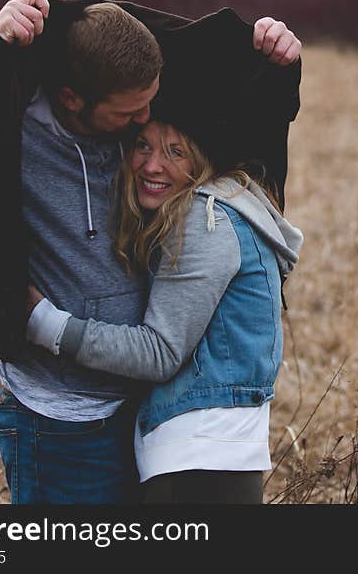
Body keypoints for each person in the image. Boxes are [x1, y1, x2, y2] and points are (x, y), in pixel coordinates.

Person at [0, 0, 302, 503]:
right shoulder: (5, 127)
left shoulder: (134, 108)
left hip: (143, 412)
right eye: (131, 114)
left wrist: (279, 60)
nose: (147, 118)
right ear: (71, 99)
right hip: (60, 417)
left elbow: (234, 96)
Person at [26, 116, 302, 503]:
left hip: (197, 456)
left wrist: (45, 324)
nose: (153, 165)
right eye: (143, 145)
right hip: (216, 449)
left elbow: (159, 352)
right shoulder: (227, 207)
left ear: (202, 160)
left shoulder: (207, 222)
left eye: (176, 152)